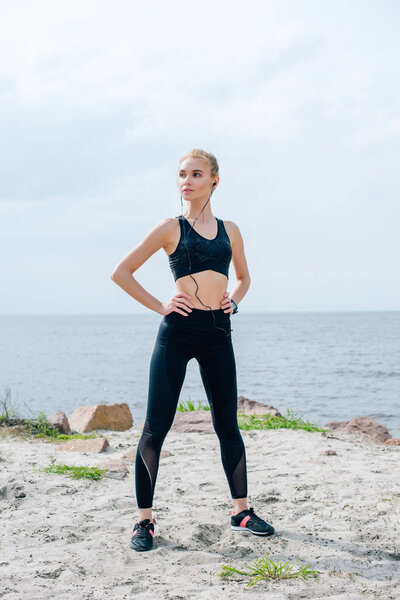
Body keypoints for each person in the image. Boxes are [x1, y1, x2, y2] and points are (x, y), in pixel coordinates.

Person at [111, 149, 275, 552]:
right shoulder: (170, 228)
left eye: (196, 174)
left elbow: (243, 277)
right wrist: (161, 305)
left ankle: (241, 511)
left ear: (214, 181)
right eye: (182, 174)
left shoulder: (229, 229)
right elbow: (121, 272)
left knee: (227, 424)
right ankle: (144, 522)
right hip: (178, 332)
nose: (186, 180)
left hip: (218, 331)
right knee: (155, 427)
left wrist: (233, 301)